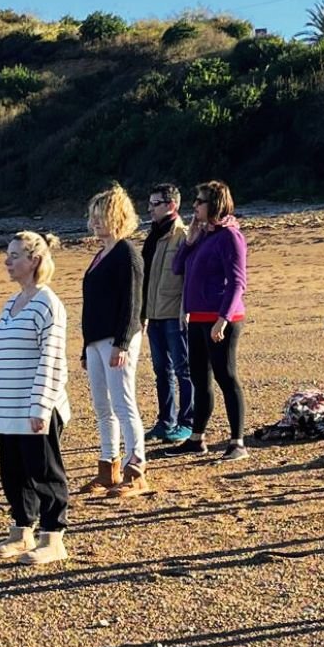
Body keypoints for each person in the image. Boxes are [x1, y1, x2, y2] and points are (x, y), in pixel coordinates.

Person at [0, 232, 71, 565]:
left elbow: (52, 360)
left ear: (34, 260)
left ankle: (53, 537)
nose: (8, 261)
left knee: (44, 471)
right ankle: (22, 530)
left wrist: (41, 407)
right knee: (14, 472)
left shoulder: (48, 303)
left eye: (15, 255)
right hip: (8, 407)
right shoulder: (10, 304)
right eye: (8, 254)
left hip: (36, 407)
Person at [168, 180, 249, 461]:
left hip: (221, 318)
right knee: (200, 379)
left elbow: (238, 282)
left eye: (200, 202)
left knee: (226, 376)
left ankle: (237, 441)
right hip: (197, 317)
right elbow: (178, 268)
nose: (195, 207)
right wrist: (189, 241)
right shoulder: (203, 235)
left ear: (214, 204)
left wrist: (223, 319)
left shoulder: (230, 236)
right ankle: (196, 438)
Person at [78, 184, 148, 498]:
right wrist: (85, 346)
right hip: (95, 339)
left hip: (118, 339)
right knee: (102, 406)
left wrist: (122, 342)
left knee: (123, 403)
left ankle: (137, 468)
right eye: (93, 217)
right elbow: (91, 305)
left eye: (101, 216)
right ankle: (109, 466)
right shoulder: (100, 255)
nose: (95, 223)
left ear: (117, 217)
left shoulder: (126, 253)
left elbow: (133, 304)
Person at [141, 182, 194, 445]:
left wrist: (186, 311)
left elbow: (189, 277)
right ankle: (165, 421)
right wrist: (142, 313)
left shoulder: (183, 235)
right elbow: (146, 277)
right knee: (161, 370)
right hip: (154, 314)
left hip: (175, 313)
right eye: (150, 203)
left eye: (156, 204)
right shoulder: (152, 236)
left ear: (171, 205)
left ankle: (187, 422)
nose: (150, 209)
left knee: (184, 369)